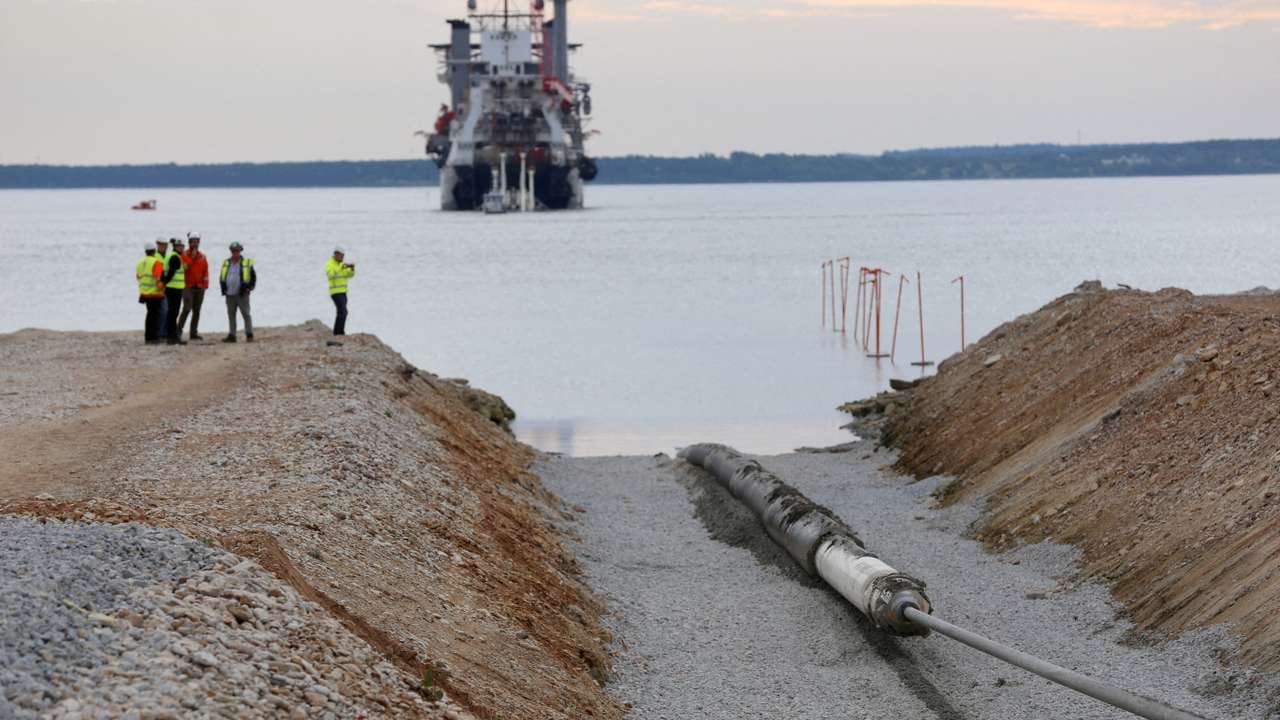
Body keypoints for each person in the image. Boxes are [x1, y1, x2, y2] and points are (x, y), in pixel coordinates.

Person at [220, 241, 257, 343]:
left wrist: (250, 288)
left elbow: (253, 278)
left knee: (246, 314)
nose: (235, 253)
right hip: (229, 294)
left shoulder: (247, 262)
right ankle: (232, 335)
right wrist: (223, 288)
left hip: (242, 294)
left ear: (240, 251)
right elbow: (222, 276)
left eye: (237, 251)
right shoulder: (226, 262)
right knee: (231, 315)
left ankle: (249, 335)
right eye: (233, 251)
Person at [177, 233, 209, 341]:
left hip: (199, 287)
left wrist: (205, 285)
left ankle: (193, 333)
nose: (194, 243)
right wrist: (193, 258)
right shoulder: (184, 255)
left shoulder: (203, 257)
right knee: (186, 308)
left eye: (196, 241)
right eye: (192, 241)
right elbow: (184, 268)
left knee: (197, 310)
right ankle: (178, 330)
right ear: (189, 242)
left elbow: (205, 272)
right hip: (187, 286)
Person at [136, 243, 165, 344]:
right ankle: (153, 338)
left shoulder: (140, 263)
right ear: (154, 251)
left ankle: (148, 337)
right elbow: (157, 279)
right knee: (154, 316)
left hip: (144, 293)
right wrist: (162, 288)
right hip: (154, 294)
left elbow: (138, 277)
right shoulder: (156, 263)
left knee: (149, 315)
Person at [161, 237, 187, 346]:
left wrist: (164, 282)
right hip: (174, 288)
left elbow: (164, 272)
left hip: (172, 288)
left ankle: (171, 336)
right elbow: (171, 272)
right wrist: (165, 282)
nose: (181, 248)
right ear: (175, 247)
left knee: (172, 312)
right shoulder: (175, 257)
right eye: (179, 246)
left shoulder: (169, 256)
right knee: (173, 312)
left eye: (182, 246)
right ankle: (172, 337)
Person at [325, 246, 356, 336]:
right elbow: (330, 275)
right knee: (343, 311)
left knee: (342, 312)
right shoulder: (330, 264)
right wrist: (340, 267)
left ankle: (339, 332)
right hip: (335, 292)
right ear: (336, 254)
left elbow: (349, 275)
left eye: (343, 256)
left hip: (343, 292)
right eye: (341, 256)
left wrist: (352, 269)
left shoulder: (341, 264)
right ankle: (338, 332)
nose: (342, 257)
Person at [154, 238, 170, 338]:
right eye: (162, 245)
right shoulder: (156, 257)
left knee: (165, 310)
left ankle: (164, 331)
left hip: (166, 287)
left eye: (165, 245)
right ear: (158, 245)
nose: (164, 247)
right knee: (162, 311)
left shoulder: (166, 257)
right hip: (158, 288)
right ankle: (160, 332)